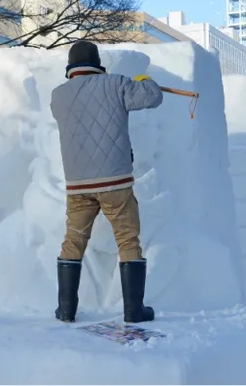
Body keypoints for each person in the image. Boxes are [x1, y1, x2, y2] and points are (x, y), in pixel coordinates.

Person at [49, 40, 163, 324]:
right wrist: (142, 78)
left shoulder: (58, 96)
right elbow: (152, 96)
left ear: (71, 68)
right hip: (115, 182)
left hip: (78, 186)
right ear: (97, 64)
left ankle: (66, 310)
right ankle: (133, 310)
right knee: (127, 240)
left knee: (73, 242)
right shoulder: (116, 84)